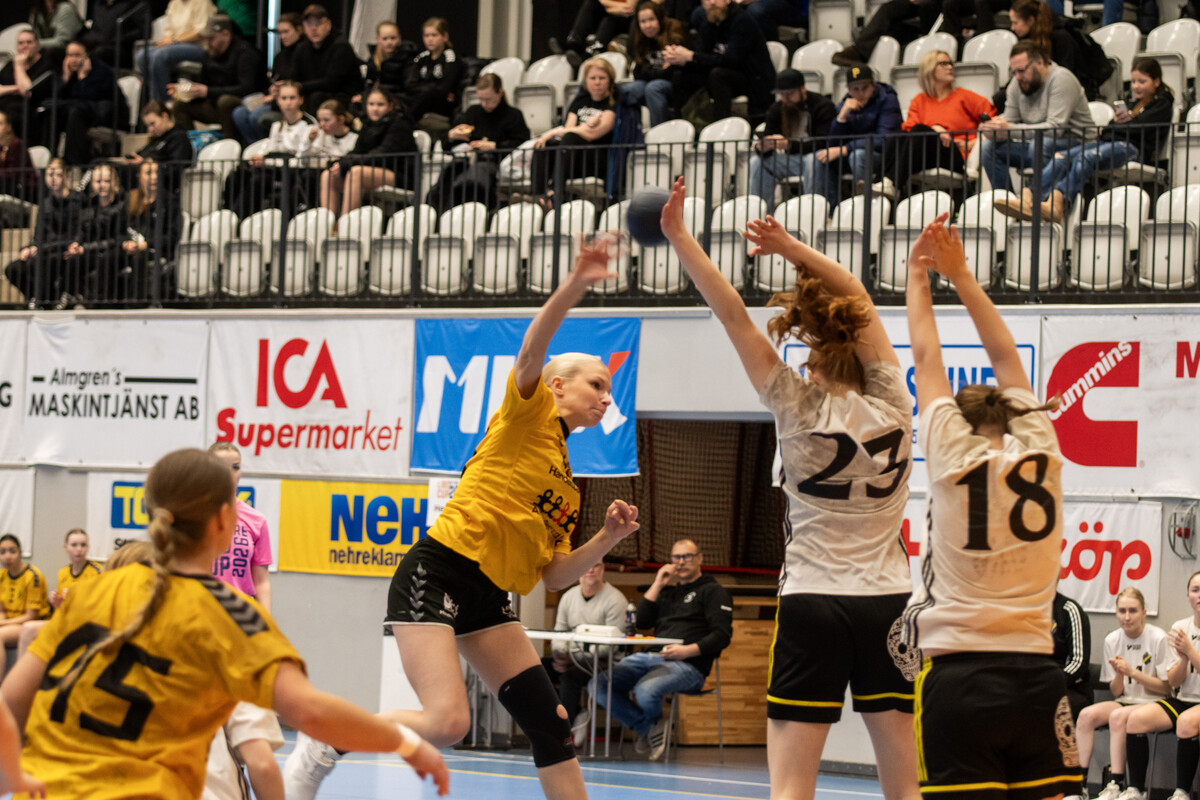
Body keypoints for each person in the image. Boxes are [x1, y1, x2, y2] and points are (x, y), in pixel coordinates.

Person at [283, 236, 641, 800]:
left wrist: (607, 537)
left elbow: (554, 576)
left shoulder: (567, 487)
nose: (605, 397)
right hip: (440, 570)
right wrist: (575, 285)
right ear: (557, 386)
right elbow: (531, 351)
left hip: (490, 595)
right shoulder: (528, 415)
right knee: (449, 722)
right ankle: (331, 737)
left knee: (550, 723)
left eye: (609, 390)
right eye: (596, 384)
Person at [660, 175, 919, 800]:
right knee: (904, 784)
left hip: (814, 599)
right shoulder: (896, 406)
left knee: (792, 788)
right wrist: (792, 247)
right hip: (889, 601)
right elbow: (855, 294)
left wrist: (680, 236)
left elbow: (731, 313)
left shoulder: (795, 407)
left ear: (812, 368)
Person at [0, 447, 450, 798]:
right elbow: (310, 711)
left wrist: (14, 775)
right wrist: (405, 743)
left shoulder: (94, 591)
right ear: (226, 519)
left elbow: (12, 698)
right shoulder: (230, 615)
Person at [902, 213, 1081, 797]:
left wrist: (918, 274)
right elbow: (1007, 360)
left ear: (960, 422)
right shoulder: (1044, 452)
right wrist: (960, 275)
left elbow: (926, 359)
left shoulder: (951, 454)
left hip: (961, 677)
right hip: (1039, 678)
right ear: (1014, 417)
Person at [593, 539, 732, 761]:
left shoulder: (713, 591)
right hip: (651, 657)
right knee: (599, 684)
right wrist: (658, 582)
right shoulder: (668, 593)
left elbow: (722, 636)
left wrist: (687, 651)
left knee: (645, 690)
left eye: (687, 556)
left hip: (688, 664)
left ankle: (648, 730)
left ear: (699, 558)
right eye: (676, 557)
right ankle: (648, 729)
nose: (681, 562)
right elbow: (641, 622)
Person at [997, 56, 1173, 225]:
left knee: (1086, 157)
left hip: (1133, 148)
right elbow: (1111, 128)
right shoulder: (1132, 104)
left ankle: (1058, 201)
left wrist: (1123, 124)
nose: (1136, 86)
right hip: (1109, 143)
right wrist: (1118, 123)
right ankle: (1028, 197)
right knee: (1060, 156)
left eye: (1142, 81)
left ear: (1156, 82)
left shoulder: (1162, 103)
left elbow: (1140, 128)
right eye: (1133, 81)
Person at [1075, 588, 1169, 800]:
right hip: (1125, 700)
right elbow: (1116, 692)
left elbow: (1166, 688)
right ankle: (1078, 785)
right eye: (1122, 611)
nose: (1127, 617)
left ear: (1144, 613)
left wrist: (1132, 672)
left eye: (1133, 611)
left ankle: (1116, 784)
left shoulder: (1158, 638)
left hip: (1152, 702)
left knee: (1118, 717)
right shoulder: (1112, 639)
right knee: (1086, 716)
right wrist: (1119, 674)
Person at [979, 42, 1093, 214]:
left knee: (1040, 144)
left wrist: (1009, 129)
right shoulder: (1018, 83)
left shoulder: (1062, 79)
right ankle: (1010, 208)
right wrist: (994, 128)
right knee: (989, 148)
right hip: (1038, 143)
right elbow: (1009, 118)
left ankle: (1043, 205)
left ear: (1040, 62)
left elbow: (1055, 128)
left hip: (1077, 143)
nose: (1017, 77)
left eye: (1021, 70)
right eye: (1014, 72)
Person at [1120, 572, 1200, 800]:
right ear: (1188, 596)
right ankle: (1136, 790)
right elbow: (1173, 682)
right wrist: (1183, 660)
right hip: (1183, 698)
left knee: (1186, 722)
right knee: (1135, 720)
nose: (1199, 595)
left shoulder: (1185, 640)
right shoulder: (1180, 627)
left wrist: (1190, 651)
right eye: (1195, 590)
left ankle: (1182, 792)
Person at [889, 50, 995, 195]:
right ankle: (881, 181)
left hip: (954, 155)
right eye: (943, 64)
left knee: (920, 130)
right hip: (925, 156)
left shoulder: (964, 96)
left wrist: (976, 142)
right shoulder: (919, 100)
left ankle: (893, 184)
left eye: (950, 63)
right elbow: (908, 130)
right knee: (898, 135)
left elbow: (993, 119)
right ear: (929, 69)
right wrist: (935, 129)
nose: (950, 67)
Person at [547, 561, 628, 747]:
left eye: (596, 565)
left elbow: (609, 646)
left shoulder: (616, 600)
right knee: (536, 670)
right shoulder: (568, 597)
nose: (590, 569)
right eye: (585, 565)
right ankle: (573, 713)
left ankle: (562, 734)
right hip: (570, 657)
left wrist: (572, 657)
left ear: (603, 569)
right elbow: (559, 632)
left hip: (605, 662)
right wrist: (560, 653)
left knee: (569, 676)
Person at [426, 73, 530, 213]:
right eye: (481, 99)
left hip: (493, 163)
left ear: (500, 93)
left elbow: (521, 145)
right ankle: (440, 217)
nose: (484, 104)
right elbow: (447, 146)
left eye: (489, 99)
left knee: (472, 180)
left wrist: (494, 146)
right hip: (466, 162)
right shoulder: (473, 112)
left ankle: (472, 215)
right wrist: (452, 136)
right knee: (444, 180)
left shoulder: (513, 115)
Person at [806, 65, 902, 207]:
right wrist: (842, 117)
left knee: (858, 155)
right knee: (819, 157)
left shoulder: (887, 100)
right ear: (848, 89)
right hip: (851, 154)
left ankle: (864, 209)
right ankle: (829, 211)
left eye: (865, 88)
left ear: (873, 85)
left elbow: (885, 139)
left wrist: (846, 149)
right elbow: (833, 144)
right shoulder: (845, 104)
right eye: (855, 89)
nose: (860, 93)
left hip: (882, 157)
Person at [665, 0, 776, 122]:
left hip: (753, 78)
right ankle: (684, 125)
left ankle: (721, 125)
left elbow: (731, 61)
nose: (712, 2)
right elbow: (702, 56)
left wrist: (692, 56)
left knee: (717, 75)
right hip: (725, 75)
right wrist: (679, 58)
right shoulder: (709, 24)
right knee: (680, 76)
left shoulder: (742, 21)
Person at [530, 57, 616, 211]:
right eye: (593, 78)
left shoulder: (613, 102)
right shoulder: (580, 101)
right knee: (544, 144)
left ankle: (555, 192)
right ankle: (538, 195)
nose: (597, 82)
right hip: (573, 156)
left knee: (570, 138)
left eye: (602, 78)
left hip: (597, 157)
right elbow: (569, 128)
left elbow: (593, 134)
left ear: (610, 80)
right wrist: (583, 127)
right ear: (586, 80)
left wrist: (555, 131)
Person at [320, 85, 416, 217]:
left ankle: (345, 223)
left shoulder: (400, 123)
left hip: (399, 173)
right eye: (371, 104)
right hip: (372, 169)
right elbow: (357, 151)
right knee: (329, 175)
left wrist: (348, 162)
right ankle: (328, 223)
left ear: (390, 106)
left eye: (380, 104)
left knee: (356, 172)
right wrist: (340, 163)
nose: (375, 108)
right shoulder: (368, 125)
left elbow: (383, 154)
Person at [169, 15, 267, 141]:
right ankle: (190, 145)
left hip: (247, 104)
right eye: (206, 39)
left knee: (225, 101)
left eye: (211, 39)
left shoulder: (246, 53)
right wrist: (187, 91)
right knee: (180, 105)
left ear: (226, 34)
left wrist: (207, 91)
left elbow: (246, 89)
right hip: (215, 104)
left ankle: (230, 145)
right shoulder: (209, 54)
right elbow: (203, 85)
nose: (208, 44)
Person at [226, 80, 314, 217]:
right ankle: (227, 214)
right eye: (284, 98)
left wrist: (266, 161)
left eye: (292, 98)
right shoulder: (277, 126)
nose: (288, 102)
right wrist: (263, 160)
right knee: (237, 174)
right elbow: (272, 151)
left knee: (259, 180)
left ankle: (238, 217)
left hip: (294, 172)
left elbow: (301, 159)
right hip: (275, 168)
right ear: (278, 100)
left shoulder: (309, 125)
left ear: (301, 100)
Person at [748, 68, 836, 205]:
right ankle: (761, 213)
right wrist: (763, 148)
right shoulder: (777, 109)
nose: (786, 98)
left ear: (803, 89)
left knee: (813, 159)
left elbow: (823, 142)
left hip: (817, 160)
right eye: (782, 94)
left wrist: (789, 145)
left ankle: (813, 210)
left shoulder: (822, 106)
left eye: (790, 93)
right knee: (757, 162)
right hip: (790, 161)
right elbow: (767, 136)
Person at [4, 158, 82, 309]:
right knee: (13, 268)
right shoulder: (45, 204)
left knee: (46, 261)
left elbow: (75, 234)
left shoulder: (76, 200)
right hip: (45, 250)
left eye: (58, 175)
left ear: (66, 176)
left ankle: (43, 299)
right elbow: (38, 235)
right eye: (50, 174)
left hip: (63, 251)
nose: (53, 179)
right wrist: (29, 248)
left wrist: (41, 248)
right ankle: (34, 297)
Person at [16, 528, 102, 660]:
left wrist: (76, 599)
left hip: (87, 624)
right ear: (66, 547)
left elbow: (100, 607)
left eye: (83, 545)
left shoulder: (97, 572)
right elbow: (59, 613)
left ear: (88, 547)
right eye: (74, 545)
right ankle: (23, 672)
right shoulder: (63, 573)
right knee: (28, 628)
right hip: (65, 622)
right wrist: (57, 604)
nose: (79, 549)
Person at [207, 442, 273, 608]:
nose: (229, 474)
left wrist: (266, 619)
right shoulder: (191, 514)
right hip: (201, 610)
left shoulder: (256, 520)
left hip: (239, 612)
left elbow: (261, 582)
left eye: (235, 467)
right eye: (221, 467)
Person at [43, 40, 127, 167]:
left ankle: (74, 164)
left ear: (87, 55)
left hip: (106, 116)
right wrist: (65, 78)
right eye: (70, 55)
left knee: (75, 113)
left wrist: (83, 78)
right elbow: (59, 97)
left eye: (77, 55)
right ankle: (51, 160)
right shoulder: (69, 72)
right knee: (51, 113)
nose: (73, 60)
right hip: (83, 114)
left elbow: (89, 98)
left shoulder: (101, 71)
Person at [231, 11, 305, 143]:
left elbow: (302, 81)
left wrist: (283, 90)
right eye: (280, 33)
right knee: (239, 113)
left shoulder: (304, 51)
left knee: (255, 116)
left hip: (289, 100)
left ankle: (265, 145)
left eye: (286, 32)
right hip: (275, 99)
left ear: (299, 29)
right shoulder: (280, 56)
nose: (282, 36)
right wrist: (271, 91)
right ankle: (254, 146)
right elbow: (274, 80)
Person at [119, 159, 183, 302]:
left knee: (139, 257)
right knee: (109, 256)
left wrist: (146, 245)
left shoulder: (170, 201)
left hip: (156, 249)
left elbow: (172, 236)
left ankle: (136, 302)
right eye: (148, 173)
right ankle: (101, 302)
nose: (154, 177)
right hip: (131, 247)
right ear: (139, 176)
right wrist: (124, 243)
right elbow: (119, 230)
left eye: (157, 172)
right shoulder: (131, 199)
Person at [136, 0, 216, 103]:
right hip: (174, 45)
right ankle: (154, 98)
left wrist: (175, 40)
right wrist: (166, 40)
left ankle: (163, 102)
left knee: (160, 55)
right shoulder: (174, 3)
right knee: (142, 55)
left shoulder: (202, 2)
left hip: (198, 46)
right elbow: (169, 30)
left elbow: (202, 32)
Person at [625, 2, 689, 129]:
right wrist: (659, 72)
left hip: (677, 85)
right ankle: (632, 132)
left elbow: (675, 71)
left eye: (651, 19)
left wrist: (651, 72)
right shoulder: (641, 39)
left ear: (660, 18)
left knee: (653, 88)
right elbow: (638, 73)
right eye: (643, 21)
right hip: (652, 81)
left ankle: (659, 133)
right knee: (629, 89)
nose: (648, 25)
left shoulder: (673, 31)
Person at [291, 4, 363, 115]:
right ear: (303, 27)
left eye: (318, 23)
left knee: (316, 97)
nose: (314, 28)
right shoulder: (302, 48)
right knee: (289, 97)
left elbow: (331, 83)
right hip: (313, 95)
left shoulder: (341, 46)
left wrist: (300, 86)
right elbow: (294, 77)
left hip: (343, 97)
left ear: (328, 25)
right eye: (309, 24)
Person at [400, 18, 466, 129]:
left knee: (428, 93)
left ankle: (404, 124)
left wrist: (426, 88)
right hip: (419, 97)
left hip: (442, 103)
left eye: (434, 35)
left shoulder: (451, 57)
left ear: (445, 37)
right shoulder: (421, 58)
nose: (430, 39)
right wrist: (426, 88)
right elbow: (409, 84)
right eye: (426, 35)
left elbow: (444, 88)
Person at [0, 534, 49, 676]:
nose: (7, 556)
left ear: (20, 553)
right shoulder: (2, 576)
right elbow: (1, 610)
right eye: (2, 552)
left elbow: (31, 616)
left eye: (12, 551)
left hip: (29, 624)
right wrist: (2, 621)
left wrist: (3, 624)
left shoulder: (33, 576)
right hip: (10, 624)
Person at [0, 31, 54, 146]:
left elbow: (26, 92)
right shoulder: (9, 65)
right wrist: (14, 88)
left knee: (12, 116)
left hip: (28, 111)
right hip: (4, 106)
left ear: (38, 45)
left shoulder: (45, 66)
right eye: (21, 43)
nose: (25, 46)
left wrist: (19, 66)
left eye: (29, 42)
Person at [549, 0, 636, 69]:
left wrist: (608, 7)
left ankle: (591, 54)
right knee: (591, 3)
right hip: (612, 13)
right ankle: (574, 44)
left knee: (609, 20)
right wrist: (611, 8)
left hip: (630, 22)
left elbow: (629, 8)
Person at [1053, 591, 1091, 723]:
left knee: (1040, 704)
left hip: (1071, 689)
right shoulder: (1026, 609)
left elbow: (1079, 662)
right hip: (1036, 686)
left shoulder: (1068, 609)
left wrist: (1049, 683)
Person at [360, 21, 414, 102]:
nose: (389, 42)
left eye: (393, 38)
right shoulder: (373, 58)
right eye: (385, 39)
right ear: (377, 39)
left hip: (398, 99)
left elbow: (409, 87)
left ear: (399, 38)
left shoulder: (407, 57)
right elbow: (369, 83)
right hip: (376, 98)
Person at [0, 110, 39, 217]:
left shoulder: (17, 144)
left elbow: (14, 174)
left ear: (8, 127)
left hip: (25, 188)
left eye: (0, 123)